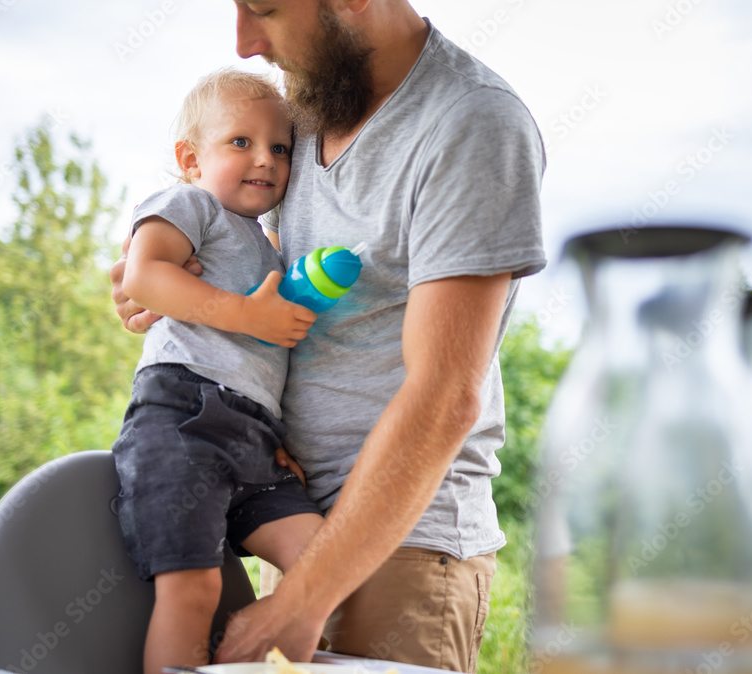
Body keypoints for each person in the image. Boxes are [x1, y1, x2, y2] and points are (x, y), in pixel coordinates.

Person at [111, 1, 547, 671]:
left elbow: (444, 396)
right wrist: (177, 283)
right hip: (291, 519)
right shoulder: (303, 109)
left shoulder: (471, 124)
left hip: (402, 548)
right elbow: (272, 269)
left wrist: (301, 602)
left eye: (265, 9)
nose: (245, 41)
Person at [111, 67, 325, 674]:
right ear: (190, 158)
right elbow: (143, 276)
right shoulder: (189, 204)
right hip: (183, 420)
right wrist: (249, 317)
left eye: (280, 148)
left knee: (319, 565)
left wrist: (276, 437)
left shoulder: (268, 245)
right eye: (241, 142)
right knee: (193, 589)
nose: (266, 159)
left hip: (256, 439)